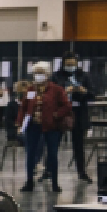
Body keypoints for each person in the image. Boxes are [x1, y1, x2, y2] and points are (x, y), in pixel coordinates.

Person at [17, 61, 71, 192]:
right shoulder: (30, 89)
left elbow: (66, 105)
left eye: (41, 73)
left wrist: (56, 115)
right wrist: (19, 123)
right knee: (30, 154)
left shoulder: (56, 89)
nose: (38, 76)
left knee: (52, 154)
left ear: (47, 74)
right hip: (33, 126)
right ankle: (29, 181)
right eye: (36, 73)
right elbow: (23, 108)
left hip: (52, 126)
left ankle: (55, 183)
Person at [59, 53, 95, 183]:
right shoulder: (57, 76)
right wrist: (64, 91)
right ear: (63, 64)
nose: (70, 66)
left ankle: (82, 172)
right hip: (61, 112)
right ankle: (49, 171)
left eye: (72, 64)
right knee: (53, 143)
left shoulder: (84, 75)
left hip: (79, 111)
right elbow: (51, 93)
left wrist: (83, 91)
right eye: (68, 64)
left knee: (79, 144)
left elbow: (92, 94)